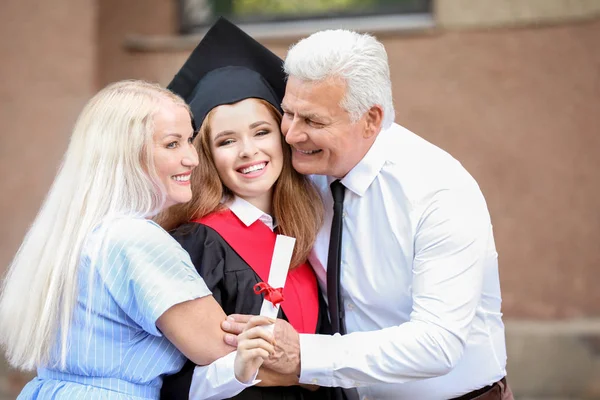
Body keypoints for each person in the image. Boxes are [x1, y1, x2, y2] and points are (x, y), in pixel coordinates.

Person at [222, 29, 514, 400]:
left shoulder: (439, 191)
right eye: (288, 113)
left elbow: (437, 343)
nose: (292, 134)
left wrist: (304, 353)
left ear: (371, 120)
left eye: (312, 121)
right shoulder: (303, 172)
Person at [0, 80, 276, 399]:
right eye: (172, 144)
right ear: (127, 153)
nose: (192, 159)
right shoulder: (137, 240)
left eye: (190, 141)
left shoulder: (78, 231)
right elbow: (221, 348)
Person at [157, 18, 334, 400]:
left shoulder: (306, 232)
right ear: (207, 156)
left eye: (261, 131)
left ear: (283, 138)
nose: (248, 151)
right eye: (226, 141)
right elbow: (172, 380)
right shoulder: (197, 244)